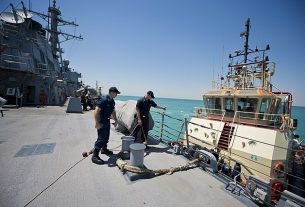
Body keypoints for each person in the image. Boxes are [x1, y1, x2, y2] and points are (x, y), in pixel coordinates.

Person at [91, 87, 120, 165]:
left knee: (106, 136)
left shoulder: (112, 101)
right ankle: (95, 156)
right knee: (101, 138)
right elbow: (96, 111)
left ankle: (104, 149)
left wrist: (116, 120)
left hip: (107, 121)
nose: (117, 95)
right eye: (116, 93)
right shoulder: (103, 100)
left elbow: (113, 111)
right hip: (101, 121)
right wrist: (97, 123)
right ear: (111, 92)